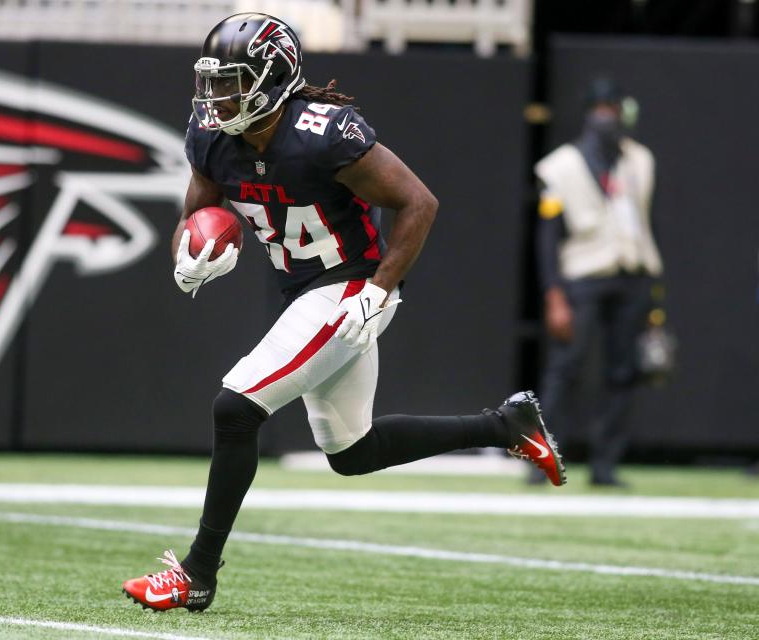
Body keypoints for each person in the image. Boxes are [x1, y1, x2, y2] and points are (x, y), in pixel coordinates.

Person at [122, 13, 566, 612]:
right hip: (305, 295)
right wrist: (191, 251)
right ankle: (507, 425)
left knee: (236, 406)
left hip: (351, 288)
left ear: (272, 79)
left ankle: (198, 573)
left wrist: (380, 289)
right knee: (352, 454)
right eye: (213, 82)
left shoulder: (322, 133)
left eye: (232, 82)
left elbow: (418, 203)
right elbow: (198, 211)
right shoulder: (211, 136)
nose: (217, 97)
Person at [534, 78, 663, 487]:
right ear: (589, 113)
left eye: (613, 108)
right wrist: (554, 294)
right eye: (600, 108)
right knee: (565, 368)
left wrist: (654, 285)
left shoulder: (639, 160)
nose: (607, 116)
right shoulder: (560, 165)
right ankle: (545, 459)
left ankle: (605, 463)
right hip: (583, 277)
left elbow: (646, 221)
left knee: (623, 370)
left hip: (632, 274)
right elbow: (548, 235)